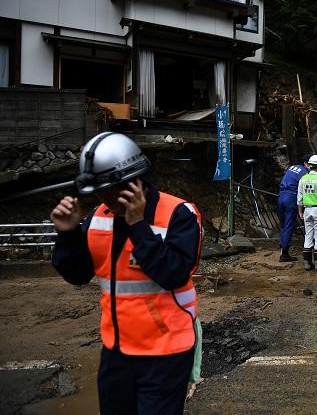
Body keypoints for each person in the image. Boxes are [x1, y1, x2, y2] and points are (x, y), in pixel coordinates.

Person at [50, 132, 203, 415]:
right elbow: (79, 275)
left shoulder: (178, 214)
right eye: (100, 193)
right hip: (116, 351)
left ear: (134, 182)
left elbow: (173, 273)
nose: (106, 199)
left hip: (165, 351)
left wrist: (138, 226)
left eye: (111, 192)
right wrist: (68, 234)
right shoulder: (99, 216)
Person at [297, 154, 317, 271]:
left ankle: (307, 262)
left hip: (306, 210)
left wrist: (300, 211)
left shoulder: (302, 179)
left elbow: (299, 198)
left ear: (310, 165)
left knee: (308, 235)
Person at [278, 154, 311, 262]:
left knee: (283, 224)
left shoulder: (293, 167)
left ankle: (282, 248)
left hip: (281, 195)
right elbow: (305, 190)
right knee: (289, 225)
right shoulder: (305, 173)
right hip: (291, 197)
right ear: (306, 163)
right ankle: (285, 254)